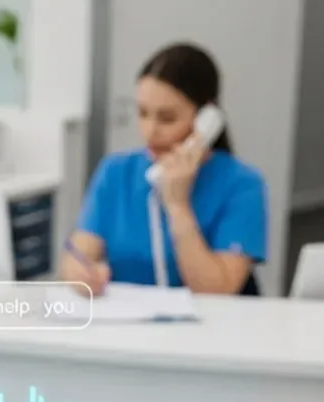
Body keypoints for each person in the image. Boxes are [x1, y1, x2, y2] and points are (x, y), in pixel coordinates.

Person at [63, 43, 267, 297]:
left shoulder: (242, 186)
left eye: (167, 118)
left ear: (207, 119)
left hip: (212, 332)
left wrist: (178, 206)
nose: (150, 130)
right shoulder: (115, 172)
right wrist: (82, 275)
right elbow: (77, 257)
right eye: (143, 113)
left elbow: (217, 290)